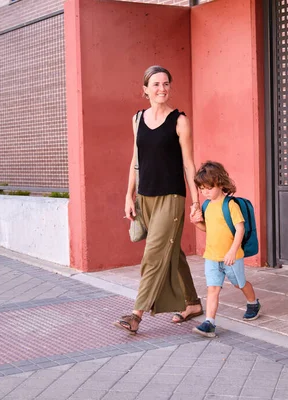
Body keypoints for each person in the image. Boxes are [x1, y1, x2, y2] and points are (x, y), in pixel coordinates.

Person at [115, 65, 203, 334]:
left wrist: (195, 201)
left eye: (166, 83)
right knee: (172, 252)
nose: (162, 88)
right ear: (145, 90)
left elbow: (189, 164)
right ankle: (192, 303)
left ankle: (135, 315)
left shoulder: (180, 121)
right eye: (156, 84)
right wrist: (129, 196)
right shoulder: (137, 119)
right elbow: (136, 160)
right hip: (145, 198)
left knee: (153, 254)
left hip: (171, 197)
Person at [190, 161, 261, 338]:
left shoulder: (230, 205)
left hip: (232, 256)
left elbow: (240, 229)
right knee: (212, 288)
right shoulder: (207, 206)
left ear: (220, 183)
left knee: (240, 284)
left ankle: (253, 303)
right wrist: (196, 222)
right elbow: (208, 228)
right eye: (202, 189)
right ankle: (209, 323)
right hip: (212, 256)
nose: (205, 192)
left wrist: (232, 251)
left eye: (208, 188)